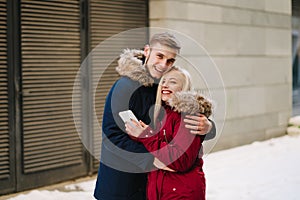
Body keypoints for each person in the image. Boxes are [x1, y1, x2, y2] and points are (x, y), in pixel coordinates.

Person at [94, 32, 216, 200]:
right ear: (147, 51)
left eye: (170, 60)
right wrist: (152, 161)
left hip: (152, 184)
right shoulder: (125, 87)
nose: (163, 64)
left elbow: (179, 120)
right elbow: (112, 136)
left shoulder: (165, 85)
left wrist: (208, 127)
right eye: (159, 56)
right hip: (122, 183)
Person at [125, 66, 212, 200]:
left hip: (181, 192)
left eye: (173, 82)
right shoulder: (164, 113)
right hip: (161, 189)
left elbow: (180, 161)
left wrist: (145, 135)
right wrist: (140, 132)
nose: (165, 85)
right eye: (163, 81)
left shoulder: (188, 116)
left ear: (184, 88)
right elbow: (159, 146)